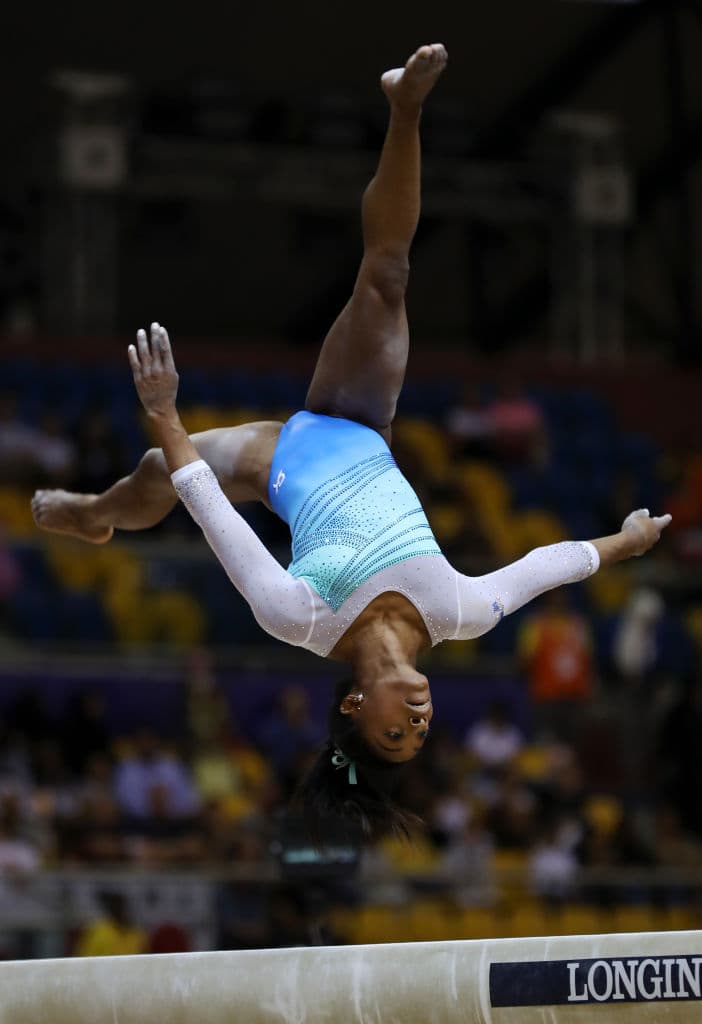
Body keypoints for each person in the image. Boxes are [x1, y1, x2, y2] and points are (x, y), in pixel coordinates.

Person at [32, 44, 671, 841]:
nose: (420, 720)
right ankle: (405, 107)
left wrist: (165, 409)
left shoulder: (299, 617)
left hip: (275, 466)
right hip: (359, 426)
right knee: (389, 275)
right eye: (422, 734)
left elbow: (208, 509)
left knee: (164, 470)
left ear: (354, 706)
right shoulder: (459, 614)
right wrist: (629, 539)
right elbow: (548, 566)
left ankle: (96, 511)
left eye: (396, 733)